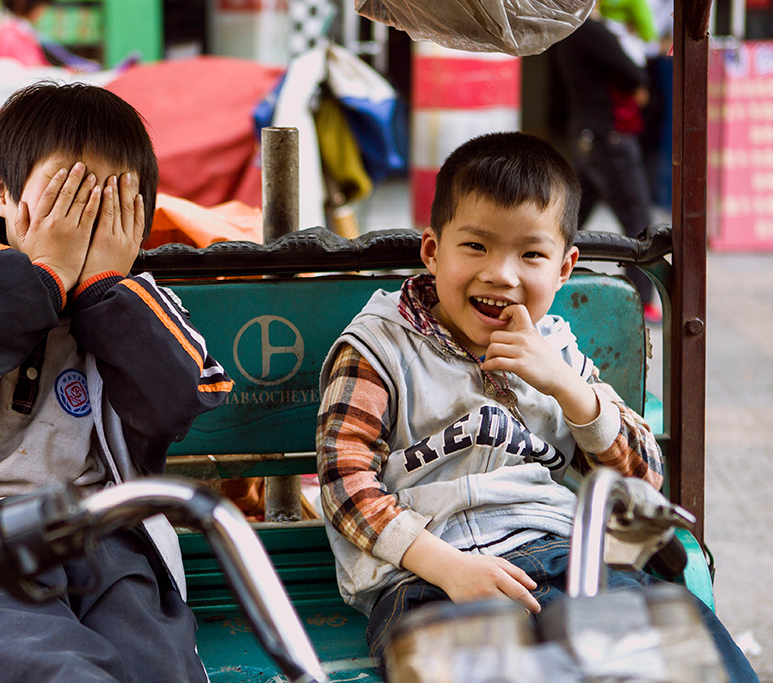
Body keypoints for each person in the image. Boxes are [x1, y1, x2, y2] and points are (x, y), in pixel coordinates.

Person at [316, 132, 758, 681]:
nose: (501, 275)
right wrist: (448, 568)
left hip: (566, 556)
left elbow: (643, 479)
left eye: (530, 254)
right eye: (475, 246)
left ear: (564, 267)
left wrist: (569, 388)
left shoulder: (559, 351)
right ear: (433, 250)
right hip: (431, 578)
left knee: (686, 653)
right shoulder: (379, 347)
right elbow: (344, 485)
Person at [0, 82, 231, 683]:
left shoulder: (136, 296)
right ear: (1, 193)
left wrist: (105, 292)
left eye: (112, 202)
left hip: (104, 529)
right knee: (48, 666)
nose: (87, 221)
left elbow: (175, 403)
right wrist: (47, 275)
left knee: (160, 663)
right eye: (70, 195)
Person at [552, 8, 662, 324]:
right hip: (609, 138)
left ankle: (545, 281)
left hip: (587, 135)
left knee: (569, 219)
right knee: (639, 221)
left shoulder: (568, 31)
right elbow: (634, 74)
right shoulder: (591, 31)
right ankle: (641, 301)